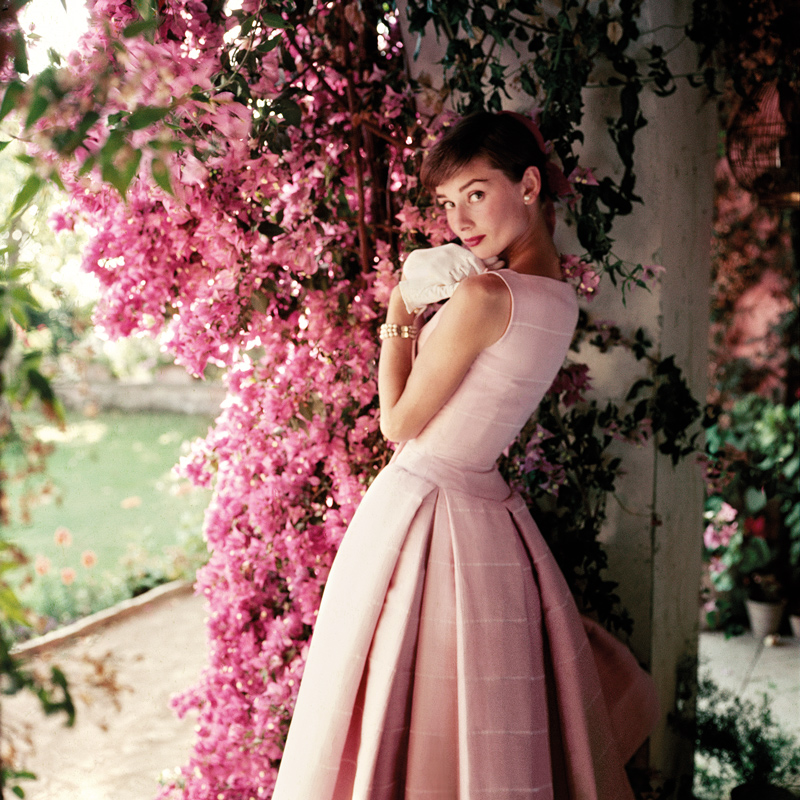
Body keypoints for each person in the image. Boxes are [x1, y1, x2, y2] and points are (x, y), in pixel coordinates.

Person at [271, 112, 660, 800]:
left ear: (530, 184)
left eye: (476, 193)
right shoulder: (560, 298)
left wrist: (399, 305)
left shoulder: (485, 294)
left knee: (399, 710)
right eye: (449, 204)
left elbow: (396, 424)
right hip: (486, 512)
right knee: (473, 719)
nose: (460, 220)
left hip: (424, 506)